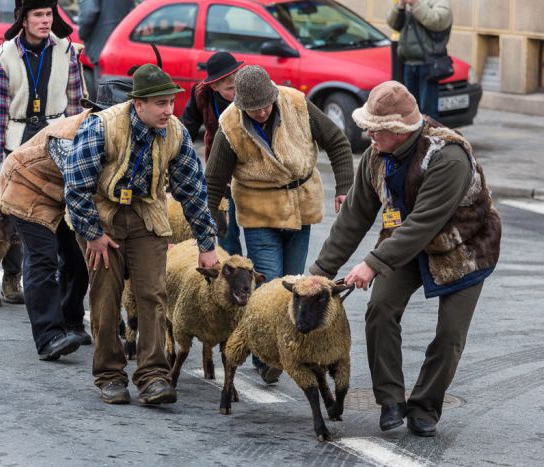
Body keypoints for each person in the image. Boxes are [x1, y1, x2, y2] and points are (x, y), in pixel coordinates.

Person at [309, 81, 501, 437]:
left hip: (464, 247)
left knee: (449, 334)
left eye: (375, 129)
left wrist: (372, 263)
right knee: (380, 309)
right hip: (405, 243)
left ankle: (426, 405)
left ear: (399, 131)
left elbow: (424, 224)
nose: (368, 134)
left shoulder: (448, 157)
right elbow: (353, 217)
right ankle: (391, 399)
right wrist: (320, 273)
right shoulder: (375, 157)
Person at [63, 64, 219, 405]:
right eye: (161, 104)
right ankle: (109, 375)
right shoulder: (101, 127)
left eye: (171, 103)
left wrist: (207, 245)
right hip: (101, 217)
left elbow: (193, 190)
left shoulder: (175, 132)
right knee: (106, 297)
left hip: (146, 215)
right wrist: (92, 234)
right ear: (139, 105)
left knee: (153, 294)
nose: (169, 110)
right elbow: (75, 188)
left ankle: (153, 377)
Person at [205, 65, 354, 384]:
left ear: (273, 96)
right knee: (271, 283)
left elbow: (338, 142)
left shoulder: (297, 104)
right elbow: (215, 178)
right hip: (259, 207)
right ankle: (264, 357)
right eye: (252, 109)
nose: (260, 113)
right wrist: (211, 220)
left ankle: (290, 349)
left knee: (294, 285)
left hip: (300, 203)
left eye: (265, 106)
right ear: (241, 106)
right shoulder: (230, 124)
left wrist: (343, 187)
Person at [0, 78, 131, 360]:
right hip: (28, 184)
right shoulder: (72, 137)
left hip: (63, 192)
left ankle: (72, 321)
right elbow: (82, 186)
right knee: (42, 258)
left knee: (77, 257)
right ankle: (49, 336)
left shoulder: (121, 133)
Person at [0, 0, 85, 305]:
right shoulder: (3, 57)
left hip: (57, 139)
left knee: (62, 216)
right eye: (38, 15)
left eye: (49, 14)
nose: (45, 20)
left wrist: (82, 145)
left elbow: (78, 104)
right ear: (23, 20)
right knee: (18, 213)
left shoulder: (68, 52)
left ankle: (61, 287)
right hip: (18, 141)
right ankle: (12, 273)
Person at [181, 51, 244, 255]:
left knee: (255, 228)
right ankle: (233, 269)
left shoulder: (248, 90)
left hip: (249, 168)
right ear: (214, 86)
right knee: (225, 227)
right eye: (229, 89)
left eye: (236, 85)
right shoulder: (201, 94)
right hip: (220, 169)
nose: (235, 92)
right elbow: (188, 128)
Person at [387, 0, 452, 120]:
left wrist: (415, 4)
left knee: (428, 112)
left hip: (428, 65)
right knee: (410, 110)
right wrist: (400, 6)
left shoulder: (439, 2)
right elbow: (393, 24)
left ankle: (429, 137)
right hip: (408, 63)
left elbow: (438, 21)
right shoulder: (407, 4)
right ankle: (414, 137)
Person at [76, 0, 134, 93]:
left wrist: (82, 34)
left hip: (102, 45)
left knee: (103, 94)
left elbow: (88, 13)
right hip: (124, 46)